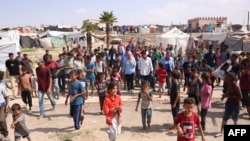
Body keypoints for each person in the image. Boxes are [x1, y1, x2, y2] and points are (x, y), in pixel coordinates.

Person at [214, 72, 242, 137]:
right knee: (225, 118)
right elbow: (228, 93)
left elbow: (240, 97)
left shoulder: (236, 86)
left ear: (230, 79)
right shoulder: (228, 85)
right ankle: (221, 132)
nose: (224, 78)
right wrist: (224, 96)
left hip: (235, 104)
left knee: (235, 119)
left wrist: (228, 96)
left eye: (226, 77)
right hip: (228, 103)